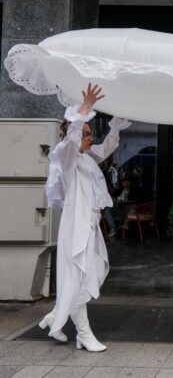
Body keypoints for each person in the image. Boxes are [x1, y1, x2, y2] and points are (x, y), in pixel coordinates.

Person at [38, 83, 131, 352]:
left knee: (95, 273)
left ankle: (56, 316)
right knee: (79, 277)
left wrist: (116, 123)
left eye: (91, 134)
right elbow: (71, 140)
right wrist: (85, 108)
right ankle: (84, 333)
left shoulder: (86, 158)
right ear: (75, 134)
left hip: (89, 225)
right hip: (76, 225)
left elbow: (106, 148)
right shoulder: (66, 158)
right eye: (86, 134)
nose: (90, 138)